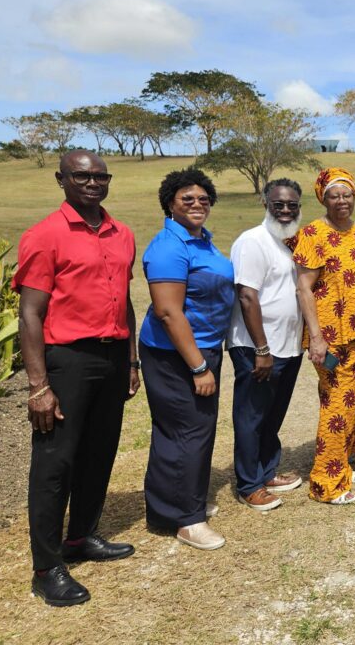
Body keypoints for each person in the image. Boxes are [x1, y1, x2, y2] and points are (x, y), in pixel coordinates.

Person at [14, 150, 137, 606]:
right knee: (55, 464)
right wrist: (38, 386)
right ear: (61, 179)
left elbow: (124, 301)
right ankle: (47, 566)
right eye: (81, 176)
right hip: (66, 360)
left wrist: (131, 361)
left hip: (111, 358)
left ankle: (80, 536)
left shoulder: (121, 233)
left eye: (99, 175)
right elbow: (30, 314)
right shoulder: (45, 235)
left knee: (98, 453)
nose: (92, 182)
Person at [139, 167, 235, 551]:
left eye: (203, 198)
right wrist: (198, 366)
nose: (197, 204)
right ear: (170, 204)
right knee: (186, 433)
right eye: (187, 199)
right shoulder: (168, 247)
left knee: (190, 431)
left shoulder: (201, 241)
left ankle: (172, 507)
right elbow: (168, 312)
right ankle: (186, 519)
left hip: (202, 347)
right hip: (175, 355)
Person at [292, 167, 355, 505]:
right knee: (337, 404)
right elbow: (303, 288)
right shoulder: (312, 234)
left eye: (346, 193)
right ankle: (326, 483)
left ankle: (341, 462)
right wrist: (316, 336)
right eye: (333, 195)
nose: (341, 200)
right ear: (322, 198)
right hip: (331, 337)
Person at [227, 179, 306, 511]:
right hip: (257, 348)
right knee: (251, 415)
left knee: (273, 415)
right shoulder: (253, 241)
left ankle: (267, 470)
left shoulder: (291, 243)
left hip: (288, 346)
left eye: (292, 205)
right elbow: (247, 296)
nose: (286, 211)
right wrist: (261, 349)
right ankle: (249, 484)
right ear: (265, 205)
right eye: (279, 205)